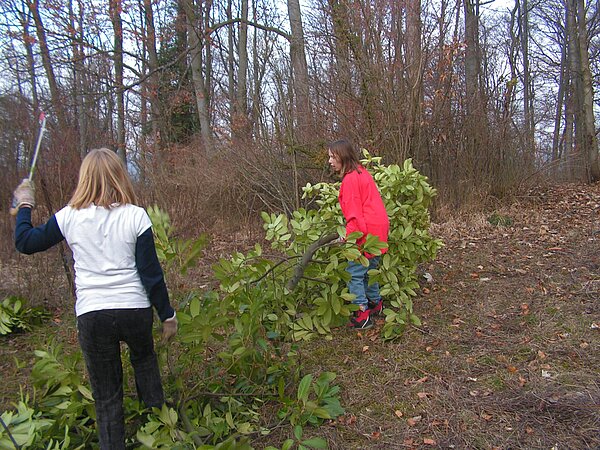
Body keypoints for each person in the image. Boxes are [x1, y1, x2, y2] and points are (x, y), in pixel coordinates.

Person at [12, 148, 178, 450]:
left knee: (107, 397)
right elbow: (151, 275)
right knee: (146, 367)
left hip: (93, 315)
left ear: (84, 178)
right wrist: (167, 314)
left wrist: (25, 204)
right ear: (120, 176)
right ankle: (160, 437)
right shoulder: (136, 215)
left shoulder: (69, 216)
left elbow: (25, 242)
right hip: (134, 310)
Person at [327, 139, 389, 330]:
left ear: (342, 156)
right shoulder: (361, 172)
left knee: (354, 273)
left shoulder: (350, 181)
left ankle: (362, 315)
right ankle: (376, 304)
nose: (330, 161)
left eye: (332, 157)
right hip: (378, 230)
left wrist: (348, 239)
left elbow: (355, 216)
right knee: (370, 270)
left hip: (367, 231)